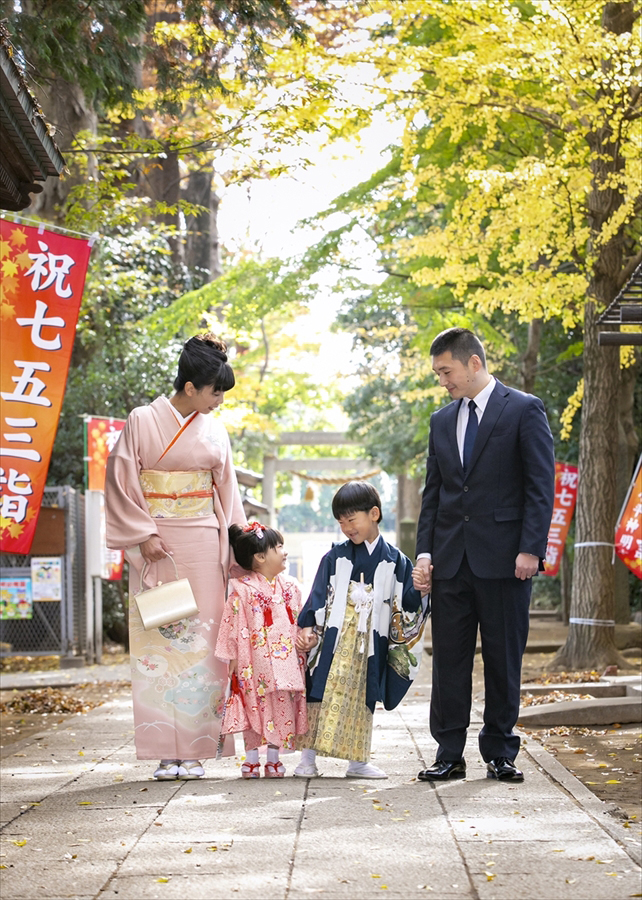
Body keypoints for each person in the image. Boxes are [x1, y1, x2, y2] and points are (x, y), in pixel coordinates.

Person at [413, 327, 555, 784]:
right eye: (438, 374)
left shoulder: (524, 409)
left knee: (503, 658)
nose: (442, 381)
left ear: (474, 363)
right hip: (451, 562)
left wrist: (531, 548)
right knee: (448, 661)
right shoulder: (440, 421)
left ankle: (500, 752)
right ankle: (448, 753)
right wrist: (424, 553)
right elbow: (433, 494)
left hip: (507, 561)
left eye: (446, 371)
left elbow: (540, 486)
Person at [104, 333, 247, 780]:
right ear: (190, 387)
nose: (219, 401)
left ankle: (198, 748)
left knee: (204, 643)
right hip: (157, 547)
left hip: (203, 543)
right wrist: (143, 534)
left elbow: (228, 493)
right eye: (215, 392)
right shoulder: (142, 420)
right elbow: (120, 480)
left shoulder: (215, 429)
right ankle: (166, 750)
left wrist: (240, 549)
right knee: (161, 641)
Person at [296, 481, 428, 779]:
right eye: (341, 522)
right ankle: (307, 759)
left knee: (363, 694)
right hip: (335, 636)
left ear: (374, 514)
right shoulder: (334, 557)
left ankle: (357, 761)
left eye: (351, 519)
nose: (346, 528)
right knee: (320, 690)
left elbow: (408, 602)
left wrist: (421, 590)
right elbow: (318, 595)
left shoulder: (396, 560)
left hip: (371, 639)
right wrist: (308, 626)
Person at [215, 522, 308, 778]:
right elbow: (232, 623)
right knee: (253, 705)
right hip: (253, 659)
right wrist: (233, 656)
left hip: (286, 660)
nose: (284, 552)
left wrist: (304, 638)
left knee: (282, 705)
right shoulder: (242, 589)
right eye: (278, 547)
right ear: (260, 557)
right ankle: (252, 758)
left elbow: (300, 619)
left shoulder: (291, 587)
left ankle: (274, 759)